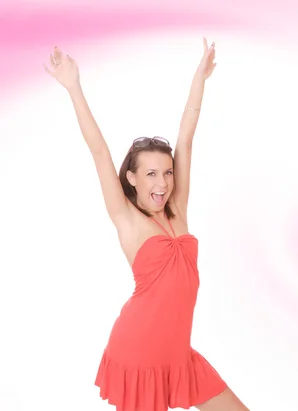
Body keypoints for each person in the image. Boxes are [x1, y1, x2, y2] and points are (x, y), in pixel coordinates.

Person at [44, 39, 250, 411]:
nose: (163, 183)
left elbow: (185, 139)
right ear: (133, 178)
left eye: (167, 173)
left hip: (178, 354)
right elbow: (100, 151)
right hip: (139, 351)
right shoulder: (127, 219)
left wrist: (199, 78)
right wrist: (73, 86)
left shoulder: (177, 211)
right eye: (151, 174)